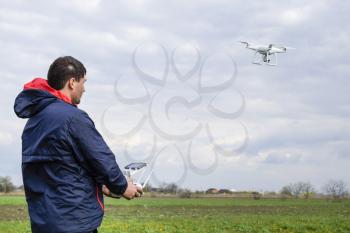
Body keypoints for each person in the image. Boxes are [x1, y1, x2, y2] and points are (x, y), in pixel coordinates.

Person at [14, 56, 142, 233]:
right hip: (73, 222)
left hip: (43, 222)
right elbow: (101, 158)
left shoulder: (33, 122)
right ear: (72, 82)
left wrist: (101, 185)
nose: (85, 89)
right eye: (84, 82)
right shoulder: (73, 118)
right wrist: (121, 186)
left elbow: (62, 166)